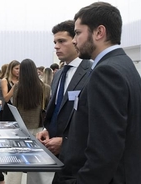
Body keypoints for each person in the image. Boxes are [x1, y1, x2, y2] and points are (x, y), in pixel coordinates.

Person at [54, 2, 141, 183]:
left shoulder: (106, 72)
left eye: (78, 33)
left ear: (99, 32)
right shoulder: (123, 64)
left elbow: (105, 150)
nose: (75, 40)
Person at [35, 20, 92, 184]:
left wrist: (66, 143)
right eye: (55, 42)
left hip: (80, 160)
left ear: (76, 40)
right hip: (57, 157)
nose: (56, 46)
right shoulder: (59, 74)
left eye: (62, 41)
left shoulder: (92, 72)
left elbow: (93, 121)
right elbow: (57, 110)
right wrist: (47, 130)